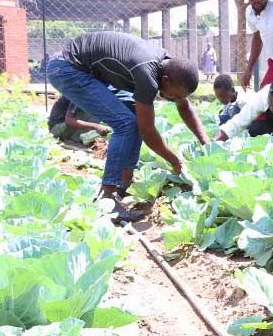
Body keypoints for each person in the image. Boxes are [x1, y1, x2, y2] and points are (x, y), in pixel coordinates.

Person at [47, 31, 209, 222]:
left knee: (133, 118)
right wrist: (176, 161)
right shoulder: (147, 73)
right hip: (67, 68)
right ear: (165, 81)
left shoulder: (169, 68)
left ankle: (123, 184)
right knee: (126, 123)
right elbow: (148, 132)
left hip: (86, 71)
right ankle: (107, 197)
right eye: (175, 95)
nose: (175, 100)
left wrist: (206, 142)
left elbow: (184, 105)